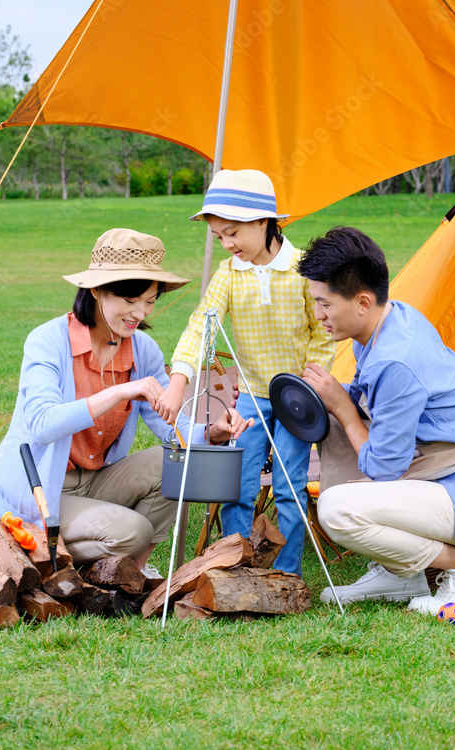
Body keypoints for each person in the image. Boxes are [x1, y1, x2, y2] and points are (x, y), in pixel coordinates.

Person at [298, 227, 455, 616]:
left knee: (336, 510)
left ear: (362, 301)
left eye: (324, 304)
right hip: (450, 477)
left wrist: (341, 406)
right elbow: (369, 401)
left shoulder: (396, 358)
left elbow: (383, 468)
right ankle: (399, 574)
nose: (318, 314)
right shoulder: (387, 321)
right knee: (338, 414)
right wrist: (326, 398)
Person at [0, 228, 252, 569]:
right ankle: (43, 547)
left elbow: (170, 424)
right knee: (133, 531)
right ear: (96, 290)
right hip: (42, 488)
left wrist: (210, 433)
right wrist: (121, 391)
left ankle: (133, 570)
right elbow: (41, 425)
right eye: (129, 300)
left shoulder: (143, 350)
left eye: (150, 301)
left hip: (97, 479)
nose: (140, 313)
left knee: (179, 462)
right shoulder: (48, 341)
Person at [156, 169, 335, 576]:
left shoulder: (302, 272)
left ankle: (286, 576)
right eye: (219, 236)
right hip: (252, 397)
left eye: (233, 232)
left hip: (298, 399)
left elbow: (322, 333)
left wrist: (308, 386)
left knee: (290, 488)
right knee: (238, 487)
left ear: (263, 221)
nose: (227, 243)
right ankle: (235, 571)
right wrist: (179, 381)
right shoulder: (229, 273)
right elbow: (202, 323)